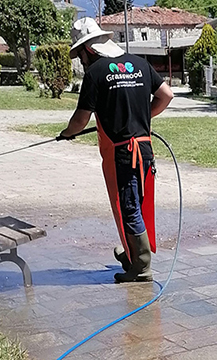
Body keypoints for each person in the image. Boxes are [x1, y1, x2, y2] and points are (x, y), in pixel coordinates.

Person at [59, 18, 174, 283]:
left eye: (80, 55)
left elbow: (80, 120)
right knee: (138, 203)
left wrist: (67, 133)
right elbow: (166, 95)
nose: (81, 61)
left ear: (89, 49)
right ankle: (132, 254)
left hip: (123, 154)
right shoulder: (140, 64)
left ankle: (141, 267)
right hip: (144, 149)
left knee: (129, 207)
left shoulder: (95, 73)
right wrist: (143, 117)